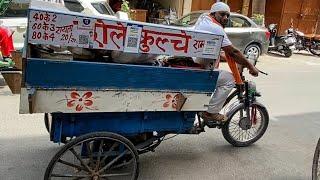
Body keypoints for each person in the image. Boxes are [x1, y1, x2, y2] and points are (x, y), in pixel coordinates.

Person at [193, 2, 259, 123]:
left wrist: (232, 58)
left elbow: (219, 51)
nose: (225, 18)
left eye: (227, 16)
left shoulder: (204, 20)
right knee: (230, 79)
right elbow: (233, 52)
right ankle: (210, 113)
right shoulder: (215, 28)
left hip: (196, 63)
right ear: (214, 14)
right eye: (222, 14)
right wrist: (250, 66)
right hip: (200, 69)